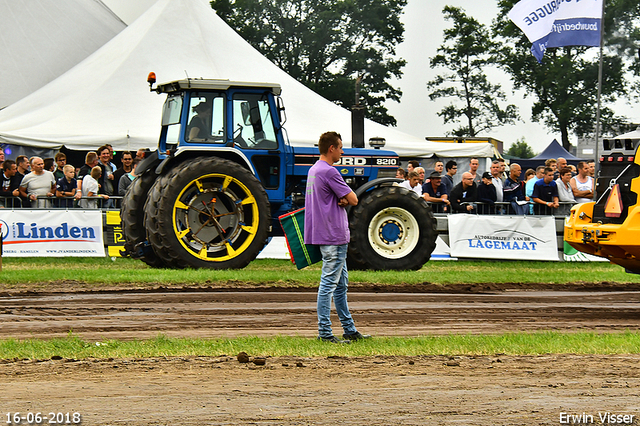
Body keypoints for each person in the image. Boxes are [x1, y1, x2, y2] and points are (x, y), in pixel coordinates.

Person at [304, 131, 369, 344]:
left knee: (340, 286)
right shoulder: (330, 171)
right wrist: (345, 198)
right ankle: (325, 333)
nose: (342, 151)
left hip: (323, 233)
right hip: (334, 234)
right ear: (331, 148)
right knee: (329, 284)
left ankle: (349, 329)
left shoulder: (314, 170)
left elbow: (328, 198)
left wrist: (340, 199)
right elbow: (354, 199)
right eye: (340, 147)